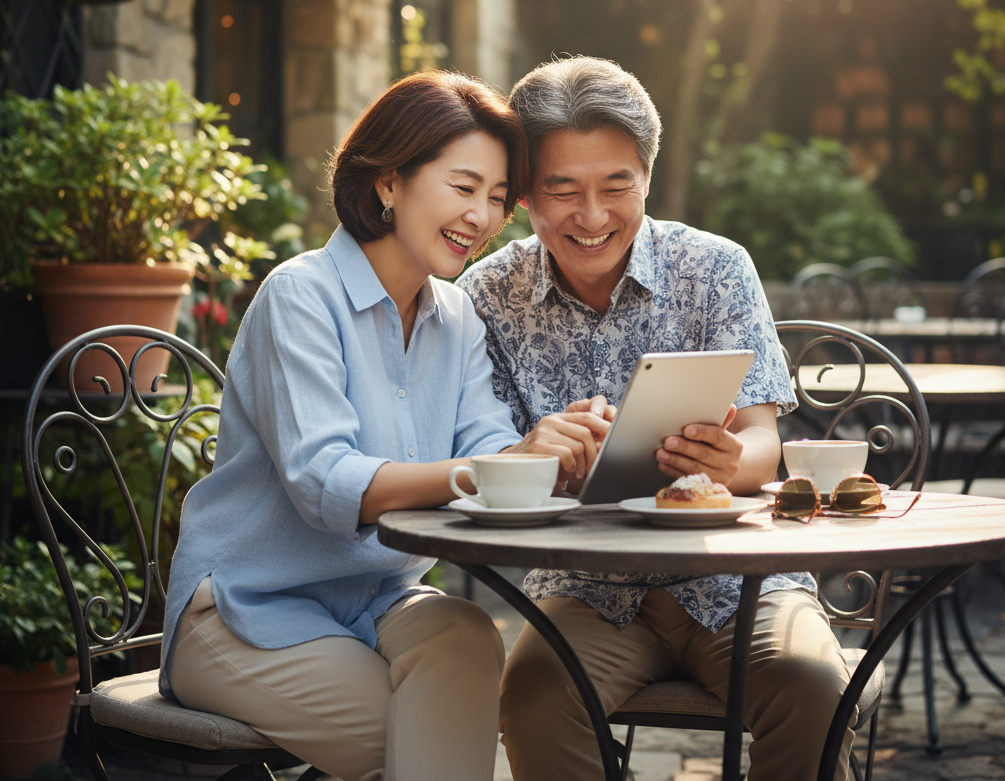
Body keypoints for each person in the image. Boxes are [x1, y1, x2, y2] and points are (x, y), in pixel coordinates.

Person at [159, 70, 609, 781]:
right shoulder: (300, 296)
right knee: (429, 742)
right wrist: (493, 469)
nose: (483, 219)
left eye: (497, 199)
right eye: (463, 189)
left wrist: (550, 449)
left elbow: (485, 447)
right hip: (246, 611)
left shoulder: (456, 316)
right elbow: (326, 481)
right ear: (389, 181)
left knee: (465, 638)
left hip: (379, 599)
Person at [457, 56, 857, 781]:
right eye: (563, 190)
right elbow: (481, 461)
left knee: (815, 686)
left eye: (618, 187)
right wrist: (532, 451)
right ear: (520, 196)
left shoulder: (716, 267)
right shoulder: (485, 294)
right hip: (584, 585)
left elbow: (766, 440)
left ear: (647, 179)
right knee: (534, 697)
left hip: (740, 579)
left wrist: (733, 463)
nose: (593, 216)